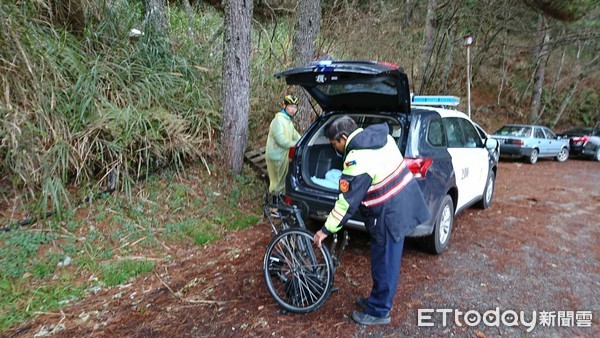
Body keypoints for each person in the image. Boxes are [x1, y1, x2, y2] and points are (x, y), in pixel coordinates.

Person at [313, 116, 430, 325]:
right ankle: (377, 299)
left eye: (334, 144)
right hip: (402, 200)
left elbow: (346, 203)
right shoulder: (382, 137)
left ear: (343, 137)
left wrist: (325, 230)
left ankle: (379, 311)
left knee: (385, 262)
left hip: (389, 212)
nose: (335, 149)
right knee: (383, 259)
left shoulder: (356, 158)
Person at [265, 94, 301, 196]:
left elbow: (296, 136)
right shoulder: (279, 120)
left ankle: (279, 200)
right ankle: (273, 204)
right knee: (276, 182)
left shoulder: (288, 121)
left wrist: (304, 141)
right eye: (290, 107)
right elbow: (282, 141)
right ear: (284, 106)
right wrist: (297, 144)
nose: (293, 110)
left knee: (281, 182)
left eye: (295, 107)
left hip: (283, 155)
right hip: (275, 156)